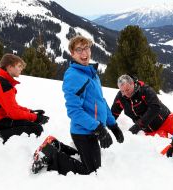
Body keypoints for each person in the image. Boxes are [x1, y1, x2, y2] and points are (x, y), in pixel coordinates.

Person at [31, 35, 124, 175]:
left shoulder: (91, 73)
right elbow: (74, 112)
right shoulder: (74, 76)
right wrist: (98, 128)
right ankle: (49, 154)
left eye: (86, 48)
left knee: (91, 162)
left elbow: (101, 101)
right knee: (90, 170)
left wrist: (113, 125)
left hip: (93, 129)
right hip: (83, 131)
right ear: (72, 54)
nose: (84, 53)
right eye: (79, 50)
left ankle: (56, 145)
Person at [0, 53, 49, 143]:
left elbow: (12, 106)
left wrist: (30, 111)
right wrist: (35, 118)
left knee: (30, 123)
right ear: (9, 67)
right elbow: (14, 113)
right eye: (19, 66)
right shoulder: (3, 84)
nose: (21, 69)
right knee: (37, 128)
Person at [111, 74, 173, 138]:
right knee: (164, 147)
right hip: (151, 132)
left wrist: (138, 125)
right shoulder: (121, 97)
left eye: (127, 90)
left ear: (133, 84)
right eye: (122, 91)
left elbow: (155, 107)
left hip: (167, 120)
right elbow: (114, 113)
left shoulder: (144, 90)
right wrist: (108, 126)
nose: (125, 93)